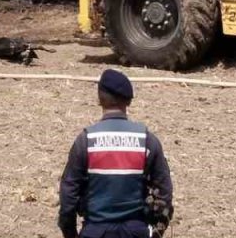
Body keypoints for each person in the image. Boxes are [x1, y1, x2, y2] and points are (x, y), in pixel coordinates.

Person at [58, 69, 174, 238]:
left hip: (95, 231)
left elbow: (68, 195)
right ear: (129, 101)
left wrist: (70, 233)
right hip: (136, 232)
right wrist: (156, 232)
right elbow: (164, 192)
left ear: (99, 99)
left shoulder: (86, 141)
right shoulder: (147, 140)